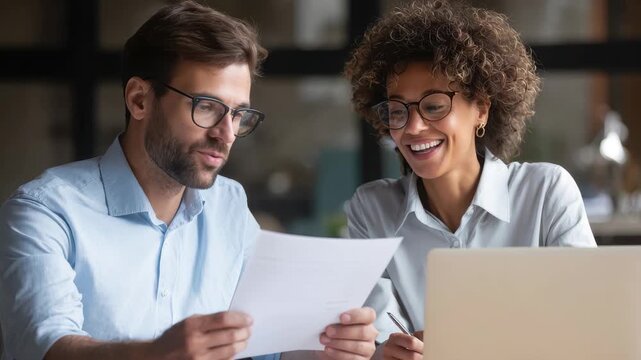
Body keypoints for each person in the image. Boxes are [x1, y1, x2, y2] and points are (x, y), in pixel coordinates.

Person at [0, 1, 378, 359]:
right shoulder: (44, 211)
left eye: (238, 114)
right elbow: (45, 348)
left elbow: (261, 347)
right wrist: (156, 354)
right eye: (207, 107)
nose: (226, 134)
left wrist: (324, 349)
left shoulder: (229, 204)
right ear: (139, 100)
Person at [343, 1, 597, 359]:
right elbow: (375, 335)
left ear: (481, 108)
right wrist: (388, 352)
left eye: (433, 106)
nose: (413, 128)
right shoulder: (371, 210)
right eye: (398, 111)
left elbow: (588, 323)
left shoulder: (545, 193)